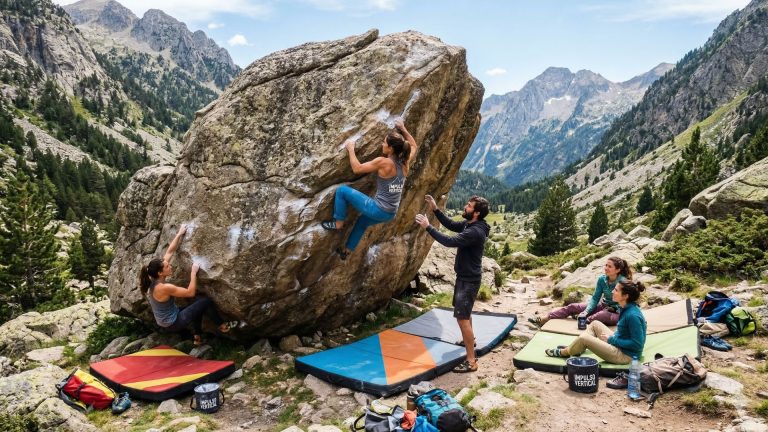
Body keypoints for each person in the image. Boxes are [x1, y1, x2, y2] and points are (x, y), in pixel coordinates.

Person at [321, 119, 417, 260]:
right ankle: (347, 251)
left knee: (342, 190)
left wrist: (351, 149)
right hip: (390, 213)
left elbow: (357, 168)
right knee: (362, 223)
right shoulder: (405, 162)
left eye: (384, 142)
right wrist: (403, 128)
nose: (382, 144)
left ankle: (338, 223)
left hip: (378, 209)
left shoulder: (384, 162)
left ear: (390, 149)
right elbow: (414, 145)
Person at [415, 194, 490, 373]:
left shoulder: (475, 231)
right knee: (465, 314)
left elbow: (450, 241)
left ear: (476, 213)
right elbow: (450, 225)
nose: (466, 206)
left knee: (462, 318)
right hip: (465, 277)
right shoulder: (469, 224)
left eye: (469, 206)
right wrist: (435, 209)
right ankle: (468, 340)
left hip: (468, 281)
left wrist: (428, 227)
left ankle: (471, 361)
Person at [139, 225, 236, 345]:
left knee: (196, 306)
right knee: (205, 301)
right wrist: (193, 273)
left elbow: (170, 251)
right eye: (167, 266)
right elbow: (190, 292)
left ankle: (197, 337)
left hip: (168, 318)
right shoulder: (164, 288)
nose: (170, 266)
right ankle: (222, 325)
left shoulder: (153, 277)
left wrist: (179, 234)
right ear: (160, 273)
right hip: (173, 323)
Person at [545, 280, 646, 377]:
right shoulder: (626, 307)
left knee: (584, 338)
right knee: (595, 324)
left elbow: (637, 344)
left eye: (616, 290)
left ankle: (565, 352)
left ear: (625, 296)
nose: (612, 291)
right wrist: (614, 338)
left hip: (625, 356)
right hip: (619, 345)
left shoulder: (632, 315)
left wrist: (612, 339)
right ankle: (578, 348)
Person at [529, 256, 632, 327]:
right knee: (573, 306)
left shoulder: (624, 282)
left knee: (602, 315)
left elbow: (629, 302)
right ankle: (544, 319)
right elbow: (595, 298)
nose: (606, 268)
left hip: (618, 312)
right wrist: (586, 311)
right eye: (606, 265)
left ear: (618, 270)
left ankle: (582, 320)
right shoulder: (602, 279)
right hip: (603, 305)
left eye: (609, 266)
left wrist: (615, 309)